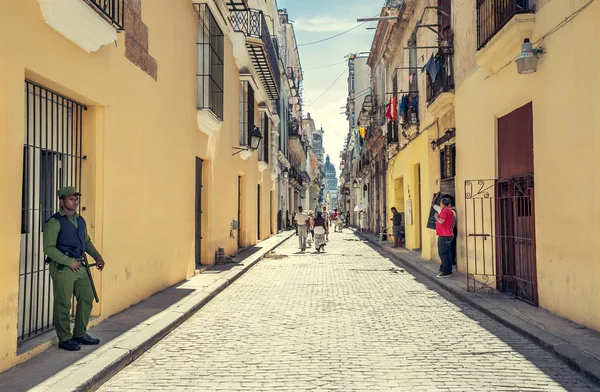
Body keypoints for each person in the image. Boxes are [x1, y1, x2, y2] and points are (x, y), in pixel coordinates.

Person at [43, 186, 105, 351]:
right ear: (62, 201)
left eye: (76, 198)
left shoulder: (80, 220)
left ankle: (80, 334)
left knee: (87, 297)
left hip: (80, 266)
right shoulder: (54, 222)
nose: (75, 201)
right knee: (63, 303)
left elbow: (86, 241)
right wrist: (68, 261)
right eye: (71, 199)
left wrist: (97, 256)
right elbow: (48, 248)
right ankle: (64, 338)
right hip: (63, 268)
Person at [434, 197, 455, 277]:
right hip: (448, 234)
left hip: (444, 235)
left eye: (440, 203)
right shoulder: (450, 211)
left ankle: (446, 271)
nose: (440, 204)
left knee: (442, 253)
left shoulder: (445, 211)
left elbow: (441, 221)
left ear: (442, 204)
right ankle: (448, 270)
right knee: (447, 253)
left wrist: (436, 217)